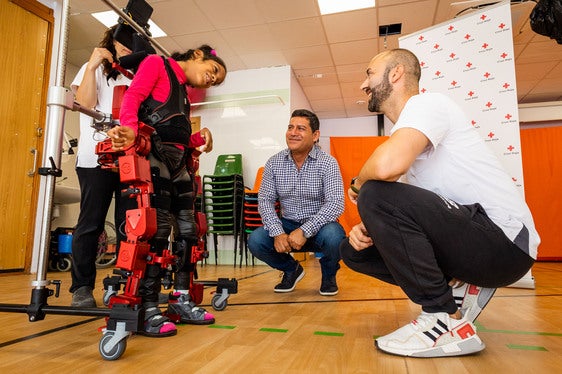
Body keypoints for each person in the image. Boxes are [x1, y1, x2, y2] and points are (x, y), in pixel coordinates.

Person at [339, 48, 539, 357]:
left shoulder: (427, 104)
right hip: (476, 247)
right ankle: (455, 289)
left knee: (374, 191)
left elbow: (385, 170)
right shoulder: (409, 138)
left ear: (395, 74)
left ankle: (443, 318)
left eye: (369, 74)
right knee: (352, 252)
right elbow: (404, 221)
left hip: (505, 243)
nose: (364, 85)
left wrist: (358, 183)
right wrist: (366, 230)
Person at [108, 44, 227, 337]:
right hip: (155, 157)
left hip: (178, 164)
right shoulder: (155, 64)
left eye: (217, 80)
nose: (212, 80)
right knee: (157, 231)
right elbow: (134, 97)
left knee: (189, 232)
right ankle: (148, 308)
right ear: (198, 56)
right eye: (213, 72)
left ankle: (181, 299)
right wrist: (130, 129)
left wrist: (200, 137)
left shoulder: (184, 93)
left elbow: (176, 132)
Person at [69, 25, 136, 308]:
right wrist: (95, 63)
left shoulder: (134, 76)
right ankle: (82, 288)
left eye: (132, 48)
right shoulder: (91, 67)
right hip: (94, 157)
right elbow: (84, 103)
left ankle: (123, 283)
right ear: (112, 43)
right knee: (90, 223)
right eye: (122, 46)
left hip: (129, 159)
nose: (127, 51)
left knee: (128, 225)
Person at [248, 109, 346, 296]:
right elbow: (265, 200)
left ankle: (329, 274)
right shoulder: (274, 163)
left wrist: (304, 230)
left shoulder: (328, 163)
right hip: (287, 224)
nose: (293, 132)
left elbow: (335, 203)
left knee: (335, 237)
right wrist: (277, 233)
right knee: (256, 240)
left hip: (320, 228)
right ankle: (291, 269)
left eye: (301, 128)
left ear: (315, 135)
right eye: (290, 127)